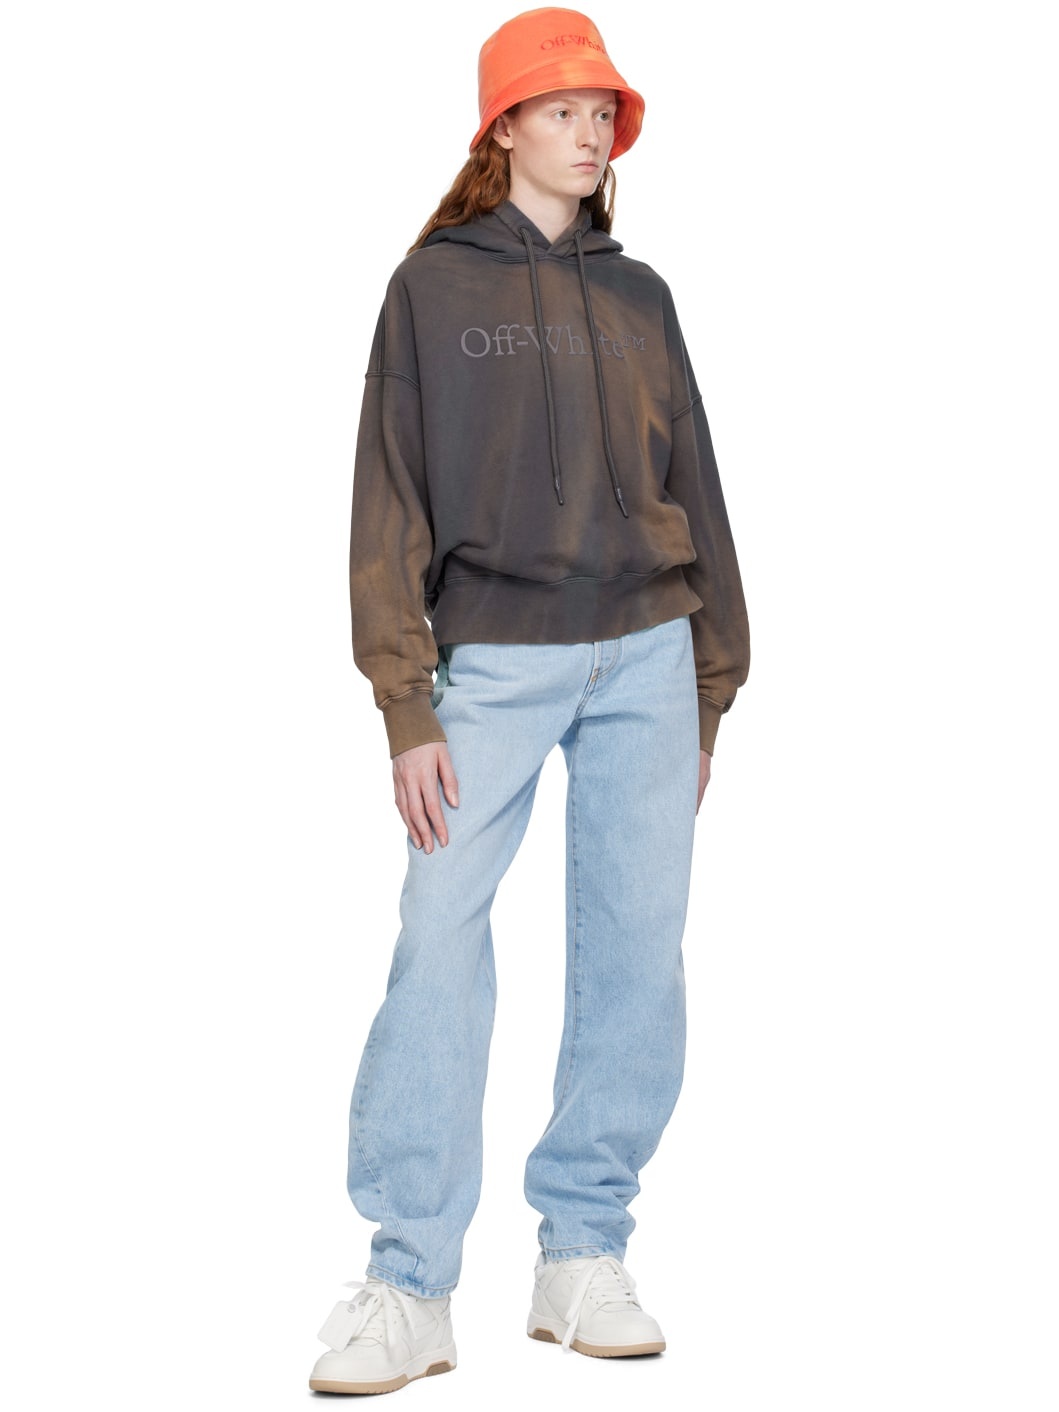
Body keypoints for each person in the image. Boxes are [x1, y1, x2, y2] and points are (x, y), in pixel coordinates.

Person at [309, 7, 750, 1396]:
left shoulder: (643, 298)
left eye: (602, 110)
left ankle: (583, 1250)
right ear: (503, 128)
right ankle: (408, 1280)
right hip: (491, 661)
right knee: (439, 938)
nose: (589, 130)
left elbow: (700, 488)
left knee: (636, 953)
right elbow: (388, 494)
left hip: (649, 657)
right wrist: (405, 703)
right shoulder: (430, 290)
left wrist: (711, 687)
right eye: (561, 109)